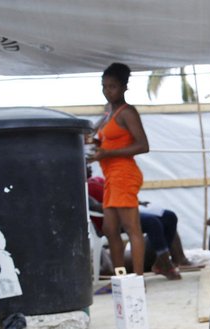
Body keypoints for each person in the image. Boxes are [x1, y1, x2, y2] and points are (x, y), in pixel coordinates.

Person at [88, 62, 149, 275]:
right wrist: (95, 150)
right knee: (110, 230)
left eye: (112, 86)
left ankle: (138, 280)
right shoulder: (108, 114)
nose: (107, 91)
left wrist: (107, 153)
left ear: (124, 87)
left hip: (124, 174)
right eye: (104, 86)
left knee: (132, 228)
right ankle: (120, 278)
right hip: (110, 176)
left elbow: (143, 145)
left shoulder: (127, 112)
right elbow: (103, 142)